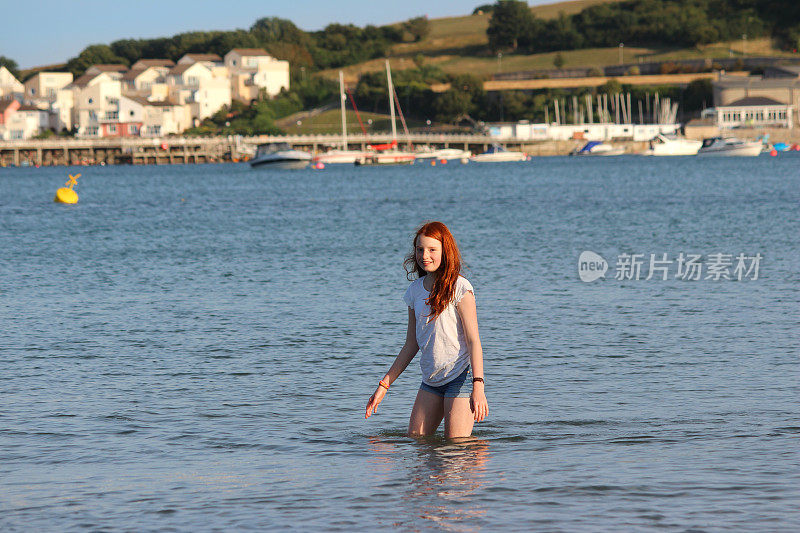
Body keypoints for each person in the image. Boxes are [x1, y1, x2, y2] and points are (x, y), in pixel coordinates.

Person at [365, 221, 488, 439]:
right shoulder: (414, 291)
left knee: (455, 447)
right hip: (431, 380)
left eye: (432, 250)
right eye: (420, 249)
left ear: (445, 251)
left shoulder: (460, 288)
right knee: (416, 440)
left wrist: (478, 386)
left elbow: (473, 341)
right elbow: (411, 344)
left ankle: (479, 457)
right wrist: (384, 385)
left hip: (460, 376)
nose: (425, 256)